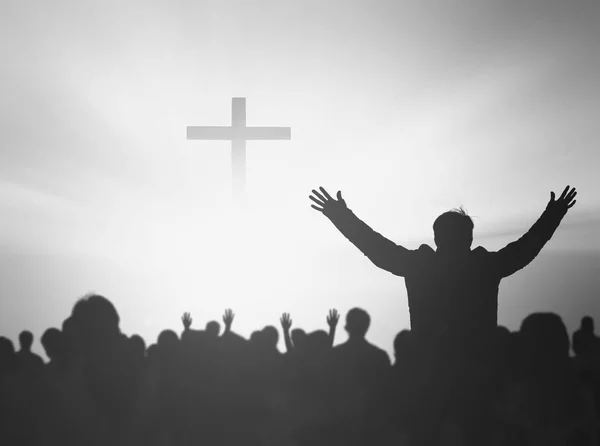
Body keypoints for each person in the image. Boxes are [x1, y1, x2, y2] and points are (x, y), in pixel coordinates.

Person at [309, 185, 577, 359]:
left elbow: (375, 246)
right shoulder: (484, 267)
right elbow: (525, 249)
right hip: (478, 374)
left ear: (436, 238)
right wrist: (553, 215)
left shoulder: (418, 265)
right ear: (469, 238)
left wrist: (341, 216)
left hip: (429, 375)